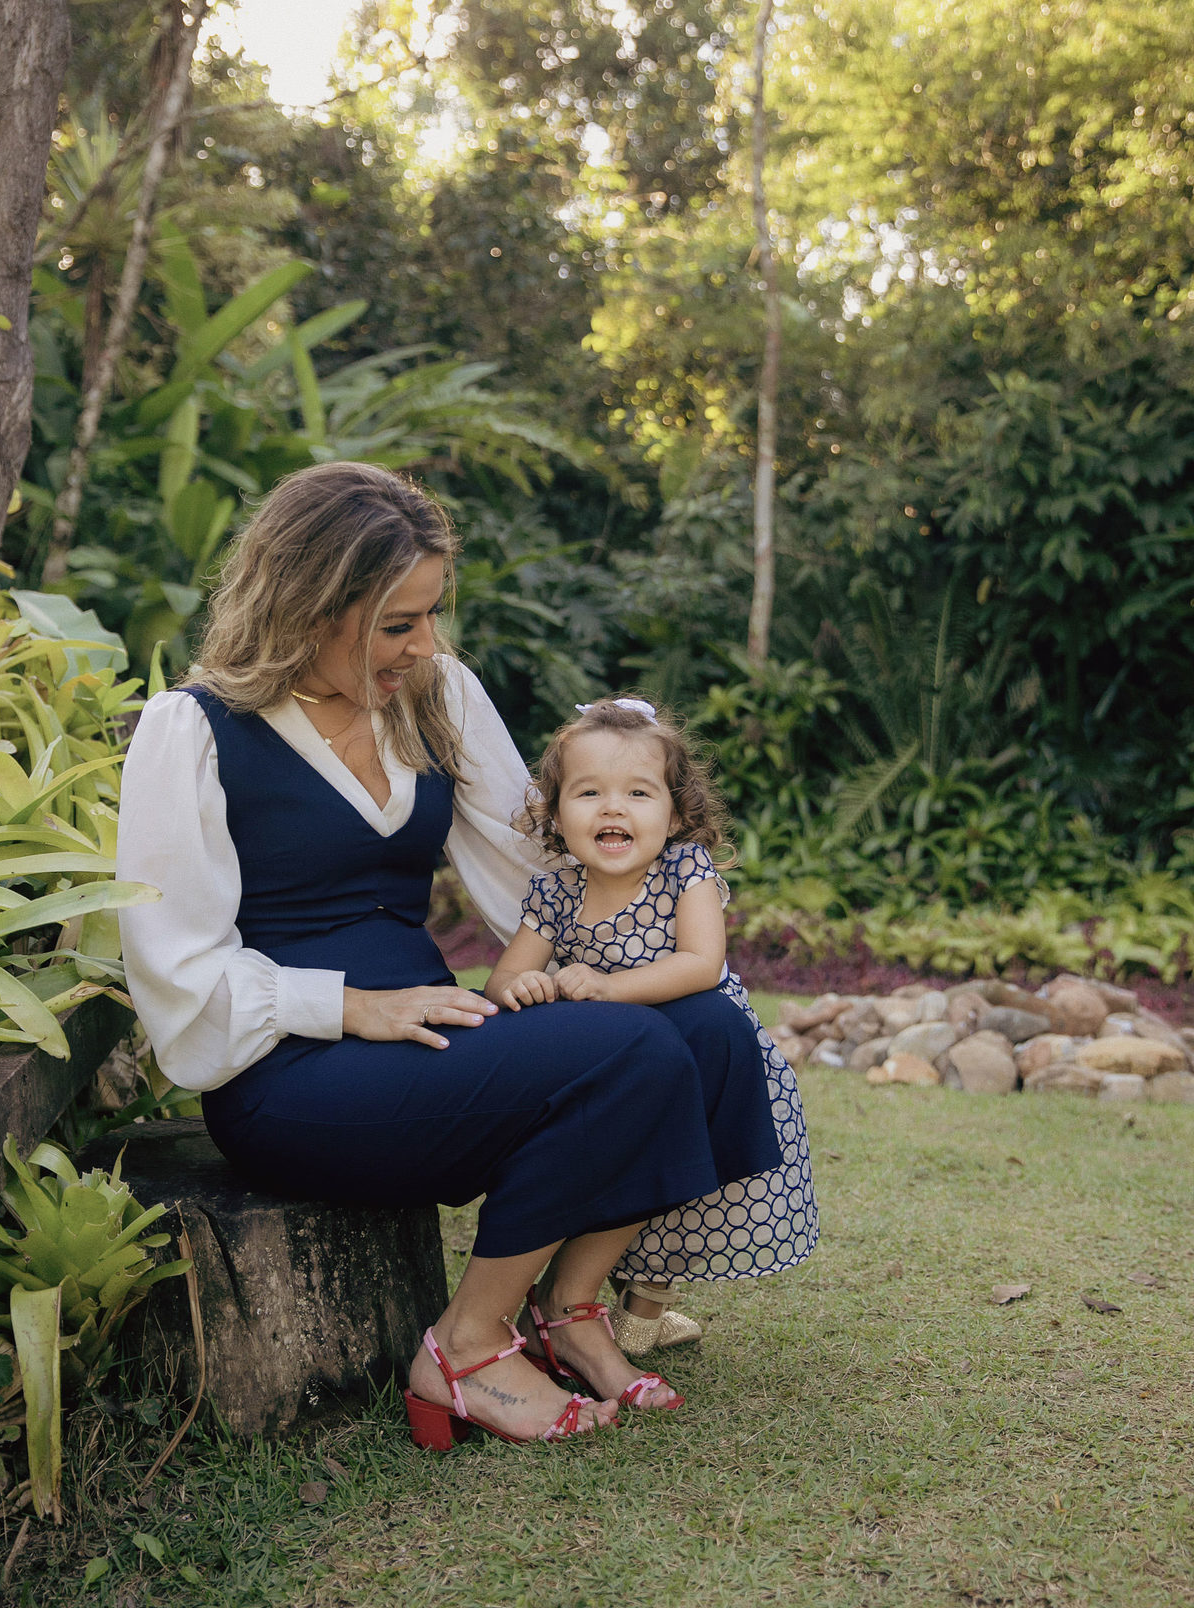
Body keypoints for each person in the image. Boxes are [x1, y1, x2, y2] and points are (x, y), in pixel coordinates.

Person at [116, 462, 782, 1450]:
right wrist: (352, 1006)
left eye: (429, 617)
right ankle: (466, 1349)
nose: (424, 644)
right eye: (398, 624)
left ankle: (568, 1307)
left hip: (429, 1040)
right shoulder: (197, 731)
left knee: (707, 1026)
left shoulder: (434, 697)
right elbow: (177, 974)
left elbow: (536, 879)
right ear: (310, 603)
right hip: (287, 1076)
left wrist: (644, 957)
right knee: (631, 1054)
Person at [484, 697, 818, 1366]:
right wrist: (521, 985)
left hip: (702, 1064)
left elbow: (700, 964)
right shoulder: (556, 894)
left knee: (680, 1194)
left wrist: (607, 987)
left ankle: (643, 1313)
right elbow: (503, 979)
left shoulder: (683, 872)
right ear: (554, 813)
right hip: (623, 1069)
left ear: (674, 814)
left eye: (638, 792)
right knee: (613, 1174)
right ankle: (576, 1305)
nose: (613, 809)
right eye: (589, 793)